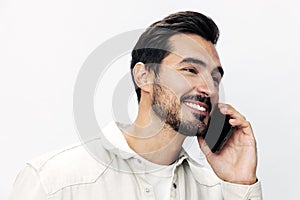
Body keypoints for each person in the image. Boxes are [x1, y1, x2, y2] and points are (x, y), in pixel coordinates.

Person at [10, 11, 262, 199]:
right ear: (144, 76)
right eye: (190, 69)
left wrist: (240, 183)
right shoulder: (53, 181)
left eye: (215, 77)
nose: (209, 88)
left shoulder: (219, 190)